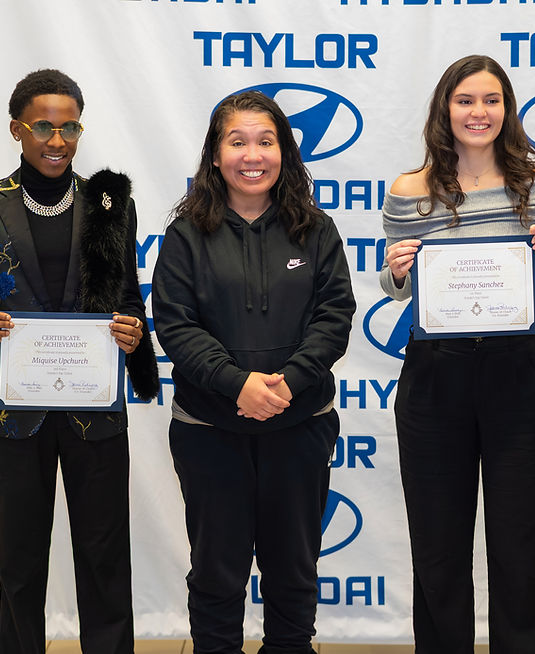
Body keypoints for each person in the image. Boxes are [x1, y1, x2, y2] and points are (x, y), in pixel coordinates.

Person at [0, 69, 159, 654]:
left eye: (69, 127)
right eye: (42, 127)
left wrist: (134, 331)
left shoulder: (110, 204)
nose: (57, 140)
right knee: (20, 558)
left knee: (105, 555)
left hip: (96, 409)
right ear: (17, 130)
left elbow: (128, 300)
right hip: (15, 412)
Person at [151, 91, 356, 654]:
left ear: (284, 152)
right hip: (209, 431)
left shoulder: (316, 230)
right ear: (215, 155)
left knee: (294, 570)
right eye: (237, 141)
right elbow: (175, 324)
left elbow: (334, 317)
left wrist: (286, 383)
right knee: (217, 572)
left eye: (266, 142)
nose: (252, 154)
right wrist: (236, 382)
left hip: (300, 425)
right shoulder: (186, 234)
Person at [381, 55, 535, 653]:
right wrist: (396, 272)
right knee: (438, 544)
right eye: (465, 100)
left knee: (526, 541)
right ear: (446, 108)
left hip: (519, 372)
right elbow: (395, 285)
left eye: (491, 100)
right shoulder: (409, 189)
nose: (478, 112)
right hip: (436, 375)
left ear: (506, 109)